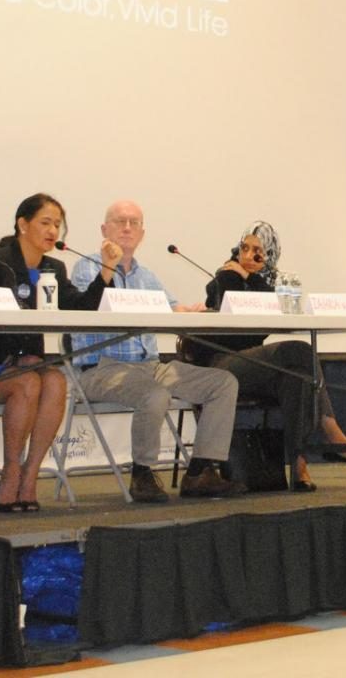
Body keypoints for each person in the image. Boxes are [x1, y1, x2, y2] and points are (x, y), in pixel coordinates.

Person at [68, 199, 241, 501]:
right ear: (103, 229)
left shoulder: (147, 276)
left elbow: (172, 309)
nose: (127, 228)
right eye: (120, 221)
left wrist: (191, 311)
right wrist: (108, 270)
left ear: (142, 233)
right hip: (102, 368)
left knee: (223, 383)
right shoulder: (85, 267)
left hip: (151, 366)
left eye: (134, 223)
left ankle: (200, 471)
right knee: (154, 393)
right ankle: (142, 475)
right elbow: (88, 310)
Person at [0, 192, 118, 512]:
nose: (52, 231)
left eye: (57, 225)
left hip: (26, 367)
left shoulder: (54, 269)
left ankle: (30, 476)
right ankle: (10, 473)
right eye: (45, 222)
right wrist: (15, 357)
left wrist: (106, 270)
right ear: (23, 224)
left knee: (56, 381)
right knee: (30, 382)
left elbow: (80, 308)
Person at [197, 221, 346, 492]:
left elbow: (273, 306)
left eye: (257, 251)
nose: (248, 256)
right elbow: (228, 300)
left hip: (255, 365)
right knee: (299, 352)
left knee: (297, 377)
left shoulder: (267, 282)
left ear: (269, 256)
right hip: (223, 363)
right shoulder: (224, 276)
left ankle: (298, 463)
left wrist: (252, 278)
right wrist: (241, 275)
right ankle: (330, 430)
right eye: (243, 249)